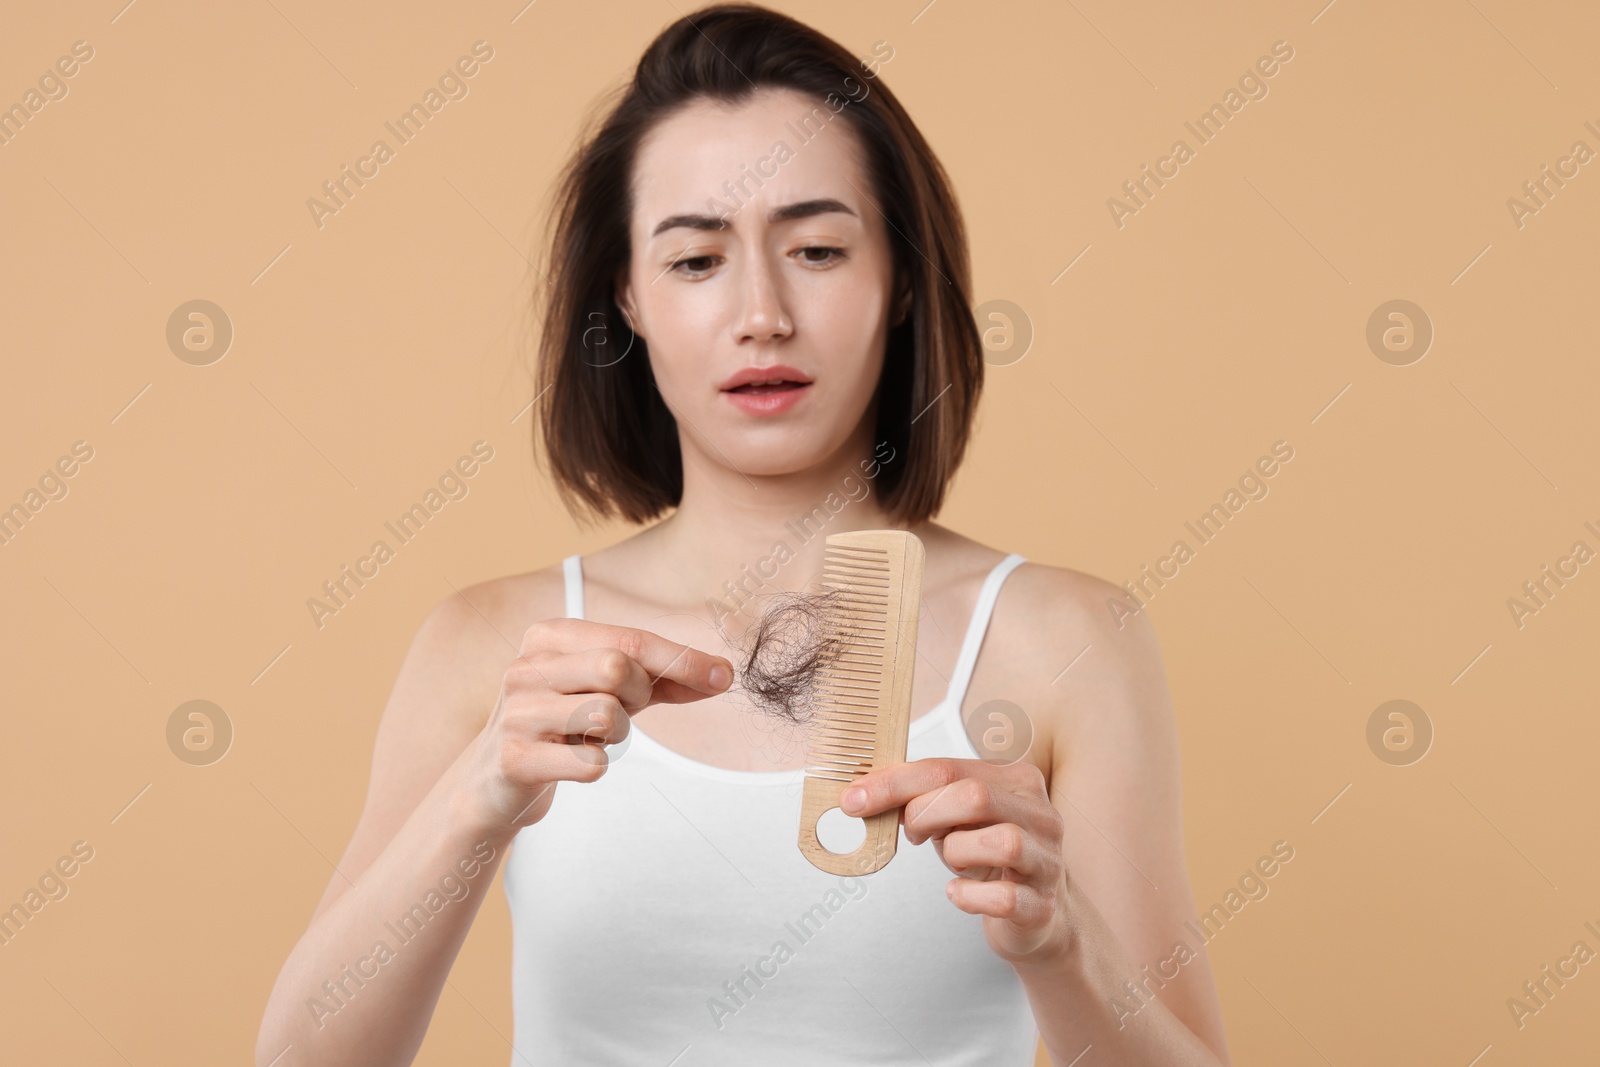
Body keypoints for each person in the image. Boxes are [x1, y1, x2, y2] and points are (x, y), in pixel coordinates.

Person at [256, 5, 1231, 1064]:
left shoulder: (1063, 637)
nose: (761, 311)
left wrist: (1060, 945)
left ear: (900, 278)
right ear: (624, 295)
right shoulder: (494, 643)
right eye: (694, 261)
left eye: (816, 248)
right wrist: (475, 801)